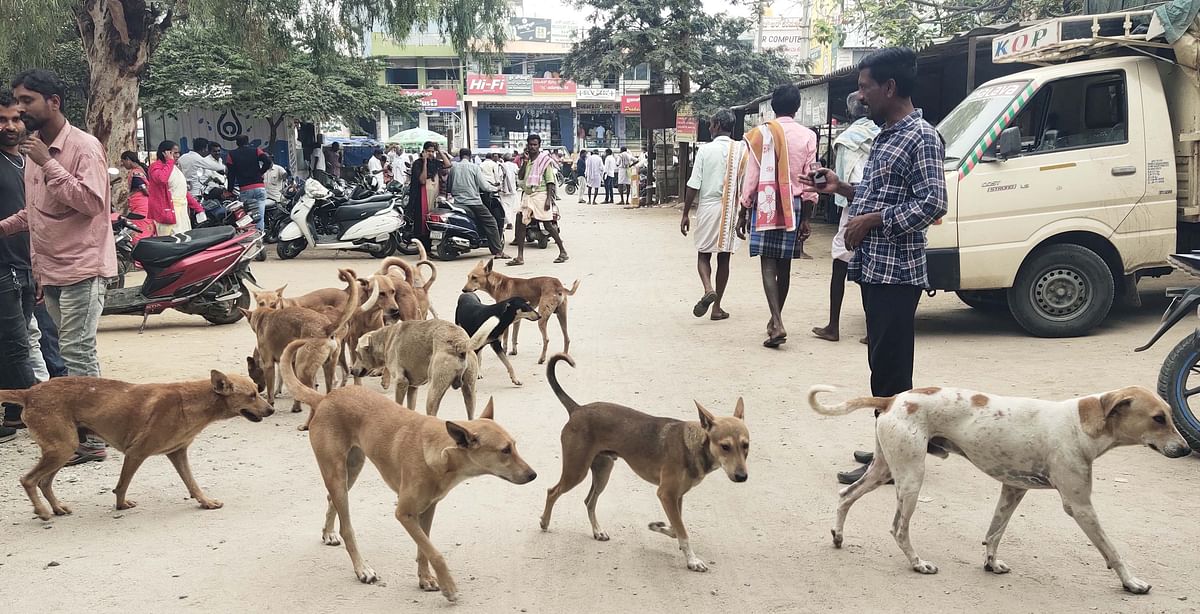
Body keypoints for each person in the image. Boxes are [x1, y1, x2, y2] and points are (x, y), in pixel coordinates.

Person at [803, 48, 948, 484]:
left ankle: (892, 461)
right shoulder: (888, 134)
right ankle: (890, 447)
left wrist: (875, 219)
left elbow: (933, 202)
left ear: (889, 87)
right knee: (882, 365)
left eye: (865, 87)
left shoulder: (921, 136)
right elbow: (882, 193)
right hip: (875, 268)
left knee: (891, 367)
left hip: (897, 271)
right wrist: (843, 188)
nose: (860, 95)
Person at [0, 69, 117, 463]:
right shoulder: (35, 148)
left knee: (77, 352)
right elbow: (34, 212)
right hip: (49, 270)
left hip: (83, 266)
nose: (19, 108)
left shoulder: (82, 147)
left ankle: (96, 439)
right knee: (67, 356)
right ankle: (84, 432)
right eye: (17, 100)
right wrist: (4, 228)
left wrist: (47, 165)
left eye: (27, 100)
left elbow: (91, 202)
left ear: (54, 102)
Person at [737, 83, 818, 349]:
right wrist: (807, 216)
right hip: (793, 203)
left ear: (773, 106)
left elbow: (752, 175)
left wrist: (744, 206)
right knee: (785, 266)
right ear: (797, 107)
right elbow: (810, 179)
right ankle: (775, 321)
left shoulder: (762, 134)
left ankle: (777, 321)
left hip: (766, 201)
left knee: (767, 263)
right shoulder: (808, 136)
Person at [812, 93, 880, 343]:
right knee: (868, 267)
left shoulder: (846, 139)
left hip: (853, 203)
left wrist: (840, 205)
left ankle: (833, 326)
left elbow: (840, 178)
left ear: (850, 113)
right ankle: (873, 330)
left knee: (840, 263)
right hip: (876, 204)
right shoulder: (880, 135)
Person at [680, 109, 746, 322]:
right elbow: (747, 185)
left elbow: (693, 185)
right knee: (724, 257)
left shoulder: (705, 151)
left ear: (717, 124)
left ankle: (708, 288)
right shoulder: (741, 150)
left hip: (708, 206)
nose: (708, 128)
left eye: (709, 124)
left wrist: (685, 213)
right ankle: (717, 307)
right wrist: (744, 214)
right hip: (731, 208)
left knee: (703, 254)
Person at [0, 88, 32, 442]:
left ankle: (13, 414)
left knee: (11, 343)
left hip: (26, 263)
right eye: (2, 120)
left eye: (15, 119)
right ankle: (44, 409)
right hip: (2, 266)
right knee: (15, 344)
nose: (9, 126)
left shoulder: (28, 161)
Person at [509, 134, 567, 266]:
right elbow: (521, 175)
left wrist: (549, 200)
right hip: (528, 195)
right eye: (530, 144)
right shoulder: (528, 160)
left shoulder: (544, 161)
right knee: (521, 220)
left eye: (535, 144)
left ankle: (563, 251)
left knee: (548, 225)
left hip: (540, 194)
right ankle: (520, 257)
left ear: (539, 146)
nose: (532, 147)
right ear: (527, 145)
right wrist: (524, 161)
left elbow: (550, 182)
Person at [447, 150, 508, 259]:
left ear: (460, 156)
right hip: (473, 202)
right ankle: (498, 251)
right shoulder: (474, 167)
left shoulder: (453, 167)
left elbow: (449, 186)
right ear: (470, 156)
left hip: (457, 202)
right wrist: (496, 188)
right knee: (491, 222)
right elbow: (484, 186)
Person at [407, 141, 451, 248]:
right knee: (422, 222)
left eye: (432, 151)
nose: (431, 153)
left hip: (434, 197)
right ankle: (424, 248)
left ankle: (430, 246)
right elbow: (422, 180)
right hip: (422, 197)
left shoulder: (436, 162)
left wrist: (439, 150)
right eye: (428, 151)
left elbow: (448, 164)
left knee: (432, 219)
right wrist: (425, 161)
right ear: (424, 151)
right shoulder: (418, 164)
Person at [225, 134, 272, 230]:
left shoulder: (231, 154)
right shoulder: (256, 150)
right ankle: (260, 238)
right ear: (248, 141)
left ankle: (250, 237)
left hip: (245, 189)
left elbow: (231, 174)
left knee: (247, 217)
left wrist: (229, 190)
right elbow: (267, 161)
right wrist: (260, 172)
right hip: (259, 187)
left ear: (237, 143)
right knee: (259, 216)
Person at [148, 140, 188, 234]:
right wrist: (169, 161)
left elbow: (181, 190)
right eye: (174, 153)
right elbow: (162, 179)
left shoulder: (173, 167)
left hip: (181, 210)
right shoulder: (156, 166)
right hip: (167, 211)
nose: (177, 155)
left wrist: (198, 208)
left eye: (178, 153)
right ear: (165, 153)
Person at [119, 151, 155, 241]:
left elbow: (143, 188)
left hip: (140, 204)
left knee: (139, 225)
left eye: (123, 162)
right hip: (145, 203)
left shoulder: (135, 173)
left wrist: (150, 195)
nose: (123, 165)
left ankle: (139, 243)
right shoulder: (142, 170)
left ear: (128, 159)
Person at [499, 153, 520, 230]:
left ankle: (509, 222)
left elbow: (500, 177)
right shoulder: (514, 166)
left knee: (505, 207)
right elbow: (518, 175)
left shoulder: (501, 165)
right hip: (513, 189)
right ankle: (510, 222)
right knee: (511, 207)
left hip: (504, 190)